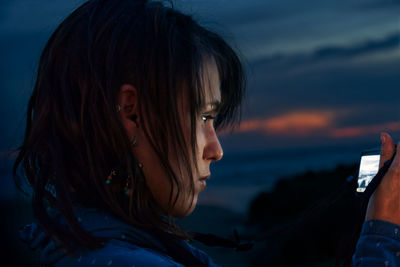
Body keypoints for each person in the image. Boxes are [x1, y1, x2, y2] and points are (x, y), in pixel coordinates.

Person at [12, 0, 400, 266]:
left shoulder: (76, 240)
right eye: (203, 117)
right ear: (132, 112)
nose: (215, 149)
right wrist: (382, 238)